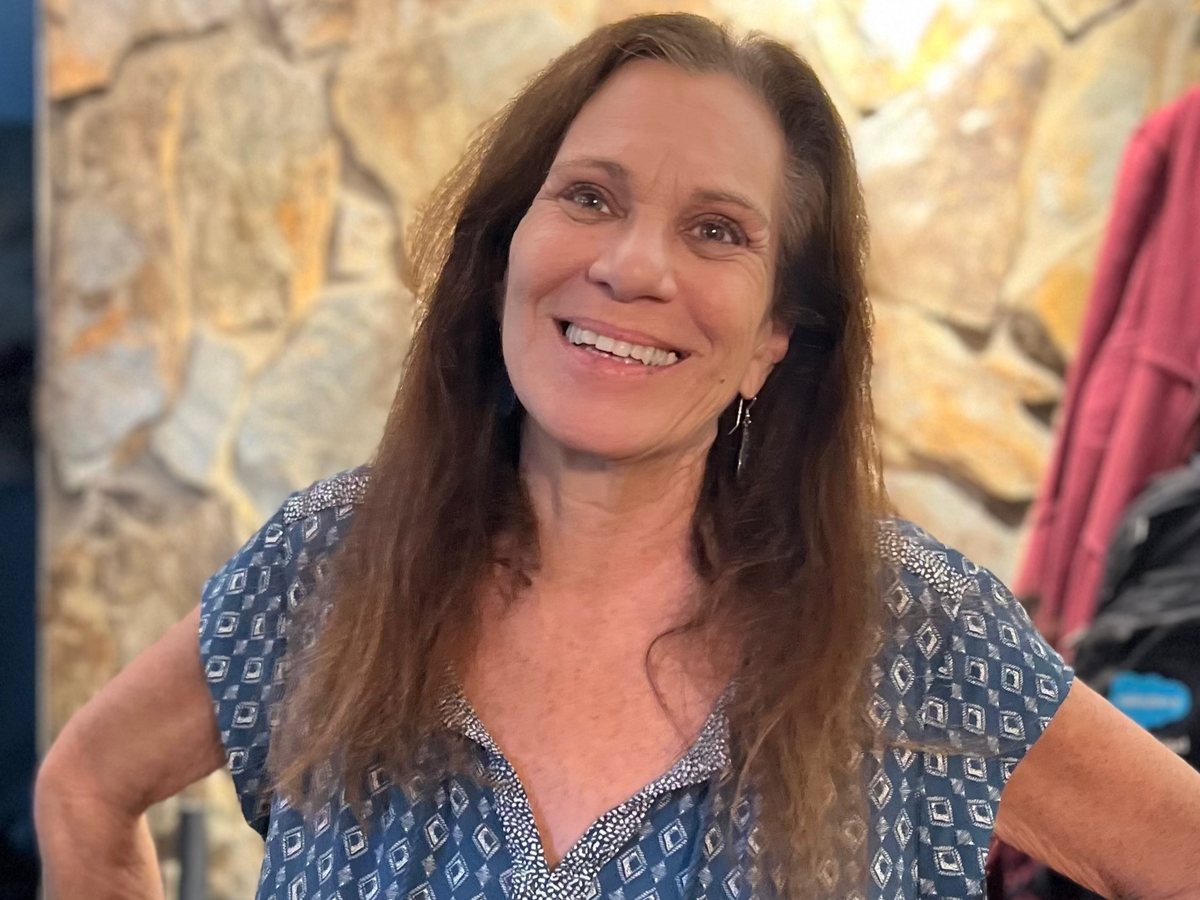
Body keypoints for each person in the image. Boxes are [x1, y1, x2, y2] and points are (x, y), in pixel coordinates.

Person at [33, 13, 1200, 900]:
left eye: (717, 231)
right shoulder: (328, 569)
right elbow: (84, 787)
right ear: (506, 251)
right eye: (590, 197)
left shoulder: (914, 634)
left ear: (774, 339)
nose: (635, 266)